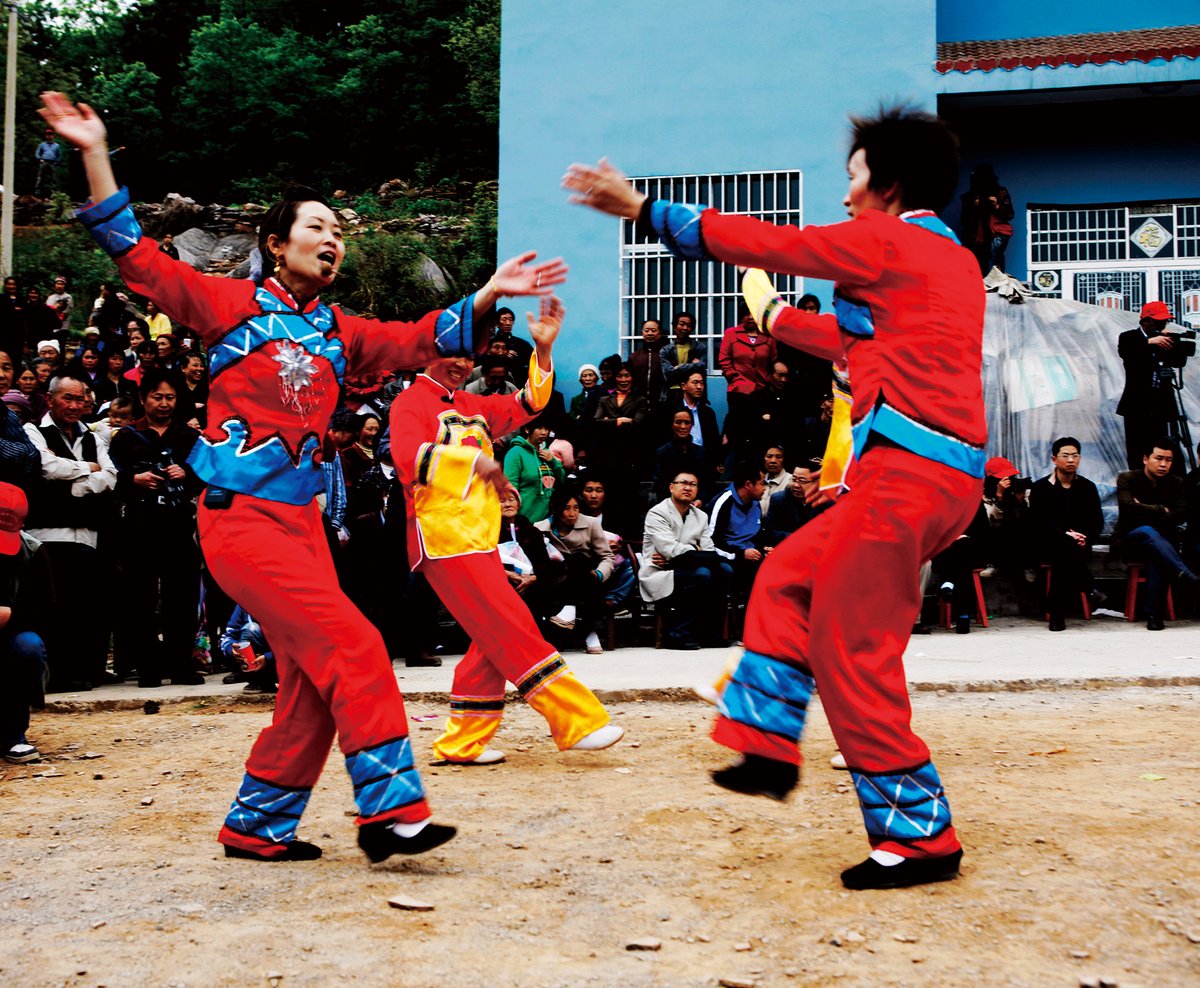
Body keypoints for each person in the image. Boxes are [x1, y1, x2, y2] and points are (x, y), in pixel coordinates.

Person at [41, 89, 567, 865]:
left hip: (304, 527)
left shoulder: (340, 332)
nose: (333, 240)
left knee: (313, 682)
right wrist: (93, 150)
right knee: (355, 645)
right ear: (274, 241)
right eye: (317, 226)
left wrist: (489, 294)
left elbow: (418, 338)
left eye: (338, 232)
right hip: (241, 519)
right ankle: (391, 814)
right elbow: (136, 256)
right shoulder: (228, 304)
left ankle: (258, 825)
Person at [565, 104, 985, 889]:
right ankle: (764, 743)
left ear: (887, 185)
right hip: (931, 481)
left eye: (853, 179)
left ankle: (920, 840)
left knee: (851, 652)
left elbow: (782, 243)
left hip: (905, 481)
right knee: (788, 577)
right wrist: (771, 314)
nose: (846, 194)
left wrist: (649, 210)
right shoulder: (945, 261)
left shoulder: (890, 238)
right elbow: (849, 341)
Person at [388, 295, 623, 766]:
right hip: (442, 538)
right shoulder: (409, 405)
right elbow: (407, 460)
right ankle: (578, 719)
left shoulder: (470, 403)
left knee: (491, 636)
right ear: (425, 352)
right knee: (511, 625)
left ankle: (462, 740)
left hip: (477, 538)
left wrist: (544, 352)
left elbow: (528, 403)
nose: (461, 362)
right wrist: (474, 460)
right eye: (451, 352)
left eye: (467, 355)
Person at [109, 369, 205, 686]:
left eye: (170, 397)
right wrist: (133, 480)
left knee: (183, 595)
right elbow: (110, 482)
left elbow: (205, 480)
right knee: (140, 598)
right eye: (157, 396)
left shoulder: (190, 438)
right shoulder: (124, 438)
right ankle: (148, 667)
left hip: (179, 527)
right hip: (139, 528)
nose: (163, 403)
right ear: (143, 398)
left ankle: (180, 664)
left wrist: (186, 475)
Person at [23, 374, 118, 691]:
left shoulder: (94, 437)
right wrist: (87, 470)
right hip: (47, 537)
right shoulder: (33, 432)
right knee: (55, 610)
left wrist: (74, 488)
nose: (75, 405)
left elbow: (112, 476)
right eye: (68, 398)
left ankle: (83, 671)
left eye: (80, 399)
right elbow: (46, 468)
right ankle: (57, 675)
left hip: (88, 538)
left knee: (85, 608)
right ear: (50, 399)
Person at [639, 470, 732, 650]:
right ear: (672, 487)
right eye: (683, 483)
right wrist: (694, 552)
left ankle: (711, 633)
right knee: (702, 573)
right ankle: (677, 632)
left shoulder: (701, 516)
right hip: (659, 572)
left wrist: (686, 556)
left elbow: (709, 550)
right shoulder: (657, 513)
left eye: (693, 484)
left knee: (724, 569)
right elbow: (670, 549)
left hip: (679, 567)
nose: (688, 487)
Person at [1115, 440, 1196, 630]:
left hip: (1162, 543)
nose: (1163, 464)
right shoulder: (1127, 479)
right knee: (1147, 531)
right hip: (1130, 541)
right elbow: (1128, 508)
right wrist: (1161, 510)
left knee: (1156, 552)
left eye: (1168, 460)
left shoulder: (1176, 483)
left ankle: (1154, 616)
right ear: (1145, 459)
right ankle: (1184, 574)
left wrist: (1141, 508)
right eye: (1158, 458)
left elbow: (1180, 514)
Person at [0, 483, 54, 764]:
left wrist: (9, 615)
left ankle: (13, 735)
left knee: (29, 646)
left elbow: (45, 613)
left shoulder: (32, 551)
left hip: (8, 637)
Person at [1028, 437, 1105, 632]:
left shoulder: (1088, 487)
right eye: (1066, 455)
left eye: (1075, 455)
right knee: (1063, 547)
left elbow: (1097, 521)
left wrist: (1083, 537)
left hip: (1079, 546)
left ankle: (1056, 615)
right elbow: (1038, 523)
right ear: (1054, 459)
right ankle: (1089, 587)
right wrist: (1065, 535)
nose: (1071, 460)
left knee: (1065, 554)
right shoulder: (1040, 488)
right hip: (1047, 544)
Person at [1117, 301, 1180, 473]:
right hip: (1136, 405)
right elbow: (1126, 353)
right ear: (1145, 321)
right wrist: (1150, 342)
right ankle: (1138, 484)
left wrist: (1172, 342)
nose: (1162, 325)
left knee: (1161, 447)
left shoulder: (1164, 341)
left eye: (1164, 321)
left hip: (1161, 404)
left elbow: (1177, 362)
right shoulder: (1129, 337)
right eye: (1158, 321)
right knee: (1137, 448)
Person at [503, 416, 565, 524]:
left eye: (546, 429)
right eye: (539, 428)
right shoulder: (515, 453)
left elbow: (562, 480)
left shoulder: (547, 454)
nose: (544, 432)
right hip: (524, 522)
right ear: (527, 429)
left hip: (546, 522)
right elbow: (510, 488)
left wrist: (553, 462)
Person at [958, 164, 1014, 275]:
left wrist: (997, 205)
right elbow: (964, 221)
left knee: (995, 253)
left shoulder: (1001, 193)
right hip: (977, 237)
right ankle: (982, 284)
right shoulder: (969, 197)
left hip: (997, 232)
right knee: (978, 261)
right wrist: (973, 206)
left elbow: (1010, 214)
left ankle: (998, 280)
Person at [660, 311, 706, 386]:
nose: (685, 328)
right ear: (674, 327)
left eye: (689, 325)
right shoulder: (666, 350)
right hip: (672, 391)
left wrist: (678, 367)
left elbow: (702, 367)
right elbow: (668, 373)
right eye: (682, 324)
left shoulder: (699, 348)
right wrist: (693, 366)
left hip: (692, 390)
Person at [627, 318, 667, 403]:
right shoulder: (634, 357)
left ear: (659, 333)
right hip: (638, 402)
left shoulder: (667, 354)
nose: (650, 333)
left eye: (653, 330)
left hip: (662, 401)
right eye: (646, 330)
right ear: (642, 333)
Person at [34, 128, 63, 199]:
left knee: (53, 178)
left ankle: (54, 193)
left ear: (53, 136)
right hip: (44, 161)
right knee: (40, 177)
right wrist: (40, 158)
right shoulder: (42, 144)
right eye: (48, 135)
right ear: (45, 136)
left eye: (51, 135)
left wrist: (57, 161)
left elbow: (59, 155)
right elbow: (37, 153)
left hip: (52, 162)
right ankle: (37, 191)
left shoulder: (56, 145)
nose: (49, 136)